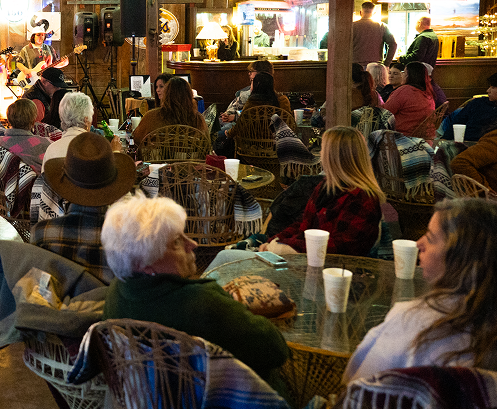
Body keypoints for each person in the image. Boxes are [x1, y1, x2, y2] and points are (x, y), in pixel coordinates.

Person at [100, 192, 289, 383]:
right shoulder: (201, 302)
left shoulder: (117, 291)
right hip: (216, 405)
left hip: (145, 405)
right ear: (146, 263)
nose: (192, 244)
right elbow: (276, 350)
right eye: (176, 242)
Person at [344, 199, 497, 383]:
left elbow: (355, 387)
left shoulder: (410, 321)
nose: (418, 243)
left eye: (430, 238)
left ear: (461, 261)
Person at [259, 126, 385, 258]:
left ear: (335, 157)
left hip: (339, 272)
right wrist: (275, 241)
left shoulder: (362, 197)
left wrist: (285, 248)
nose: (320, 154)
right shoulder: (326, 186)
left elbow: (339, 247)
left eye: (323, 149)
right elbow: (303, 225)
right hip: (310, 261)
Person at [31, 132, 136, 283]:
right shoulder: (129, 239)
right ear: (113, 186)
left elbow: (39, 291)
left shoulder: (42, 234)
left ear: (66, 183)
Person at [132, 77, 208, 145]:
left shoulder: (151, 117)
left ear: (166, 95)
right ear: (189, 96)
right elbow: (206, 144)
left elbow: (137, 139)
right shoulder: (198, 119)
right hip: (190, 160)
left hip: (157, 159)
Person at [0, 99, 51, 173]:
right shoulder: (45, 143)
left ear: (8, 119)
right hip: (36, 183)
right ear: (33, 121)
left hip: (9, 184)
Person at [41, 92, 95, 172]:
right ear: (86, 120)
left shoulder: (51, 149)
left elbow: (44, 181)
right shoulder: (96, 148)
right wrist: (115, 152)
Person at [383, 62, 436, 140]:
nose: (402, 75)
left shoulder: (404, 90)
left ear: (409, 75)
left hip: (402, 138)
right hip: (424, 138)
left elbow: (385, 112)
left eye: (403, 72)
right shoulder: (428, 92)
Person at [441, 71, 497, 142]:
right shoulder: (477, 102)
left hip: (484, 147)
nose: (488, 90)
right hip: (462, 144)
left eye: (493, 87)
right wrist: (444, 140)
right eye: (489, 87)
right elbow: (457, 122)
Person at [352, 0, 397, 67]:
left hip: (355, 65)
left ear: (360, 12)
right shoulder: (382, 26)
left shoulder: (352, 26)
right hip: (375, 66)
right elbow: (393, 44)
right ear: (374, 13)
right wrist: (386, 64)